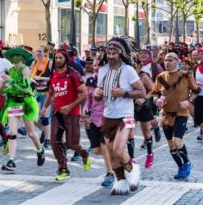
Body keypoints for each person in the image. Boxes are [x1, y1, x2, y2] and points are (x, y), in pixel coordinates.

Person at [94, 37, 146, 195]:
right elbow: (99, 94)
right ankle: (121, 181)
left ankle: (133, 168)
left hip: (125, 115)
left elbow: (142, 92)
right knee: (110, 151)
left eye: (114, 53)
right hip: (108, 115)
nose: (110, 56)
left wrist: (124, 93)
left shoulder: (128, 70)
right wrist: (97, 94)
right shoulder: (102, 70)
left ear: (121, 54)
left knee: (118, 149)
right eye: (108, 53)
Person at [41, 49, 91, 181]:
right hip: (57, 114)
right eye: (56, 58)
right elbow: (51, 94)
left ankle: (84, 155)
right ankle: (63, 169)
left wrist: (70, 107)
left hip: (72, 114)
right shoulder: (54, 75)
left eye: (60, 58)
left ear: (66, 60)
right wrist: (45, 107)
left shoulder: (73, 74)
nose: (57, 60)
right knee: (54, 142)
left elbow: (84, 93)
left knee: (72, 144)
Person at [151, 52, 200, 179]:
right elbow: (155, 93)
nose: (167, 62)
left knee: (177, 141)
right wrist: (157, 101)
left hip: (181, 113)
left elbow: (197, 91)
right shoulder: (160, 77)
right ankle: (181, 167)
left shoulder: (185, 75)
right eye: (166, 60)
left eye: (170, 60)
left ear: (177, 61)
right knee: (171, 145)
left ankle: (187, 162)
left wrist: (188, 102)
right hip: (166, 115)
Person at [0, 47, 45, 171]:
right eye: (12, 56)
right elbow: (7, 87)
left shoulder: (25, 70)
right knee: (12, 133)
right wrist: (3, 86)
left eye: (17, 56)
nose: (14, 58)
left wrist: (11, 81)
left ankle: (40, 150)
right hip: (13, 102)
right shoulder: (10, 70)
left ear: (22, 58)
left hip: (25, 102)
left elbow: (25, 88)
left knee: (30, 133)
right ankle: (11, 161)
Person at [83, 58, 115, 187]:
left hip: (107, 118)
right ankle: (117, 158)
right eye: (95, 65)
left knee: (104, 145)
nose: (96, 67)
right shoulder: (90, 81)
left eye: (99, 65)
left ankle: (110, 173)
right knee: (96, 150)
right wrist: (85, 107)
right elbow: (88, 99)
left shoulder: (111, 80)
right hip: (94, 118)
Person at [31, 46, 53, 149]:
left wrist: (42, 78)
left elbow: (54, 77)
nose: (38, 53)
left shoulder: (50, 63)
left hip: (47, 93)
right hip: (36, 92)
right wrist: (33, 79)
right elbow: (30, 76)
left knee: (45, 117)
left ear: (45, 53)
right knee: (33, 117)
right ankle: (45, 132)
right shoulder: (34, 63)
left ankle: (48, 140)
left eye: (40, 51)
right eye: (37, 51)